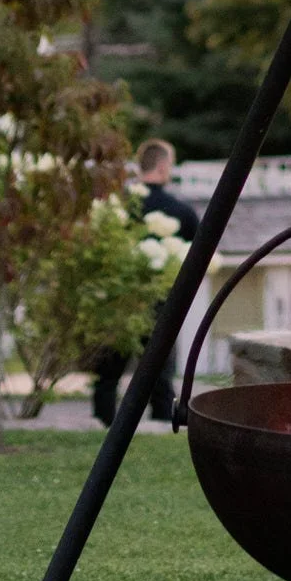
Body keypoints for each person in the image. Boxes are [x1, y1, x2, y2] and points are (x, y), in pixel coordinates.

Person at [91, 137, 200, 425]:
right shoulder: (181, 212)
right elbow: (197, 258)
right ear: (163, 167)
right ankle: (162, 425)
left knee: (108, 373)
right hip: (161, 303)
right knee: (160, 375)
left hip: (118, 300)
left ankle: (103, 426)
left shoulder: (119, 207)